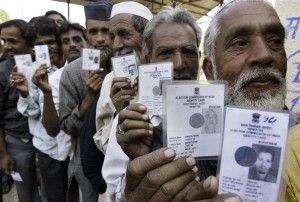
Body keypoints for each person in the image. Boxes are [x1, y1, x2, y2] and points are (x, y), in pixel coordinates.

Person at [115, 0, 289, 201]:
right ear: (209, 69)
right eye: (240, 43)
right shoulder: (150, 131)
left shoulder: (295, 135)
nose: (265, 54)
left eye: (275, 41)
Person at [11, 16, 71, 202]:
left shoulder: (71, 66)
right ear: (33, 48)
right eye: (40, 44)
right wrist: (25, 94)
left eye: (51, 42)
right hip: (48, 149)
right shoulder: (30, 70)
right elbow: (33, 112)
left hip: (71, 147)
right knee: (54, 196)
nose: (48, 48)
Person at [59, 1, 112, 201]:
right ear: (86, 34)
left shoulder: (126, 66)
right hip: (87, 161)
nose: (100, 39)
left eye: (106, 31)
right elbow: (66, 126)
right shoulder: (72, 73)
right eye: (94, 31)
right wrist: (89, 97)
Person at [94, 0, 153, 154]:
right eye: (112, 37)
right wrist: (118, 114)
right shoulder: (110, 81)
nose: (116, 45)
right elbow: (102, 140)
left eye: (124, 34)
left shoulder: (166, 74)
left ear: (147, 36)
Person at [0, 19, 40, 202]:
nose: (7, 46)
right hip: (18, 142)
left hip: (46, 141)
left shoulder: (42, 64)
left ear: (29, 42)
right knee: (26, 194)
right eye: (3, 41)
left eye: (13, 41)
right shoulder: (1, 72)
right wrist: (3, 153)